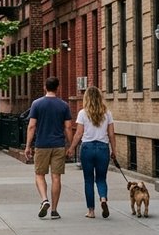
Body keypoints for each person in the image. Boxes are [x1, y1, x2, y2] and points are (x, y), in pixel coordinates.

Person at [24, 77, 72, 219]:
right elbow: (68, 127)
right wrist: (71, 145)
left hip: (42, 145)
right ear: (58, 88)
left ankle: (45, 200)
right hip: (58, 145)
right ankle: (54, 210)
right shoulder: (64, 105)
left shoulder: (37, 104)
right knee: (56, 177)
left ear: (45, 87)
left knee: (39, 174)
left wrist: (28, 146)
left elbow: (32, 126)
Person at [67, 85, 116, 218]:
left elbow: (78, 134)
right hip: (103, 148)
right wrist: (114, 150)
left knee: (88, 180)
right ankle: (103, 198)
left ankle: (91, 211)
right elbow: (111, 134)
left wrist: (71, 148)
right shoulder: (107, 113)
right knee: (101, 178)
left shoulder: (83, 113)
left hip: (87, 148)